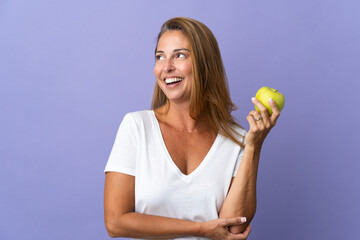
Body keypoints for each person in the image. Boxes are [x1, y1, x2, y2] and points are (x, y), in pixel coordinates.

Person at [104, 17, 280, 240]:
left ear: (205, 64)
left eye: (179, 55)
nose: (166, 67)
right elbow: (116, 222)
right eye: (160, 57)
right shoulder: (137, 127)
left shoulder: (237, 139)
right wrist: (199, 229)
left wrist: (254, 146)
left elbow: (234, 228)